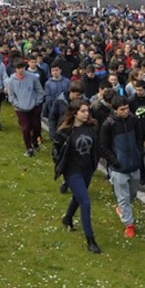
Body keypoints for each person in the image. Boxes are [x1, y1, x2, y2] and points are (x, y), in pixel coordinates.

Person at [53, 100, 102, 253]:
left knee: (78, 197)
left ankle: (67, 218)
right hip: (72, 171)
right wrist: (60, 165)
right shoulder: (65, 131)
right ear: (75, 113)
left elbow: (96, 146)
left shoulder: (92, 127)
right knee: (85, 202)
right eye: (83, 111)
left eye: (87, 111)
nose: (87, 114)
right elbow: (56, 150)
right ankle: (90, 240)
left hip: (87, 170)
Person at [99, 95, 144, 239]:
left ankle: (122, 209)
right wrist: (114, 162)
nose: (126, 112)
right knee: (123, 196)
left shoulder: (133, 120)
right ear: (114, 110)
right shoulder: (108, 125)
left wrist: (139, 152)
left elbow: (139, 137)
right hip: (119, 168)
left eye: (127, 108)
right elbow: (104, 146)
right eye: (122, 109)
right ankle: (129, 224)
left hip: (134, 164)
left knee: (133, 192)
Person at [5, 59, 45, 157]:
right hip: (20, 109)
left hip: (33, 106)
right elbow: (11, 96)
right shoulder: (11, 81)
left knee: (36, 126)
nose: (21, 70)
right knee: (26, 128)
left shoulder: (33, 78)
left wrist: (37, 102)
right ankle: (29, 148)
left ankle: (35, 141)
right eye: (18, 68)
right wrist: (17, 104)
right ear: (15, 69)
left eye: (22, 68)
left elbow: (39, 90)